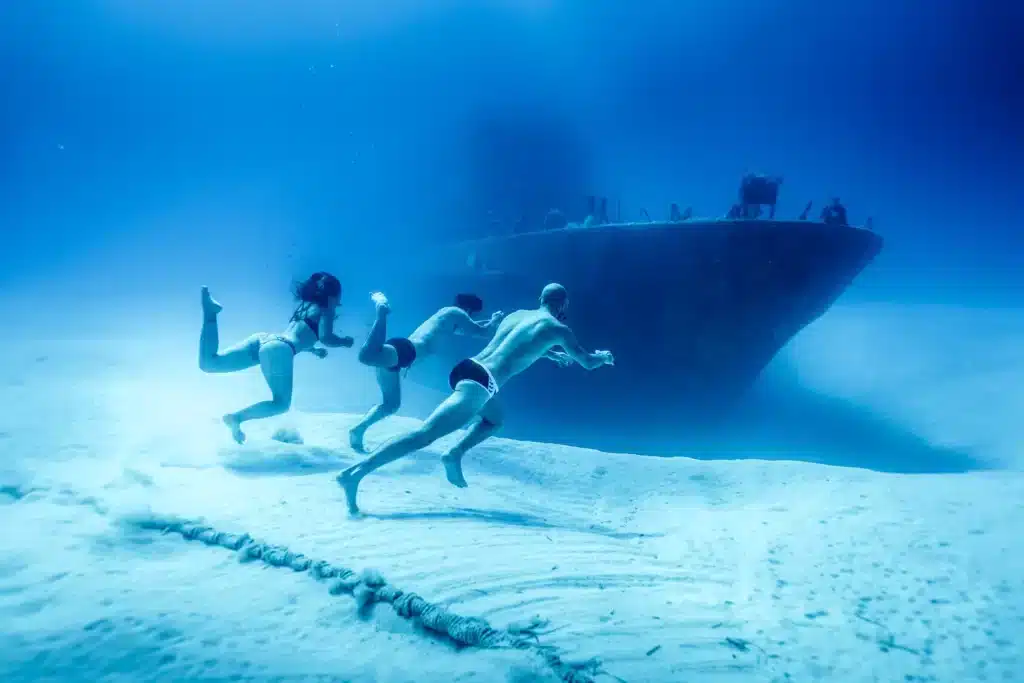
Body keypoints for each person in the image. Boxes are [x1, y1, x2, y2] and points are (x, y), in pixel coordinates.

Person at [337, 282, 613, 515]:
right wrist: (604, 356)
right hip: (482, 382)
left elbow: (516, 346)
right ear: (563, 305)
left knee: (496, 420)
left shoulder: (517, 315)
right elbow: (587, 362)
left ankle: (454, 453)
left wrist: (550, 354)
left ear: (540, 299)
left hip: (467, 368)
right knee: (425, 434)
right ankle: (355, 474)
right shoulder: (558, 329)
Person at [198, 272, 354, 444]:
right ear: (333, 295)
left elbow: (299, 335)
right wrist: (344, 342)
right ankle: (236, 418)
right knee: (281, 404)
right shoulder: (327, 309)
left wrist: (313, 350)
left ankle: (210, 314)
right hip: (279, 349)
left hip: (264, 340)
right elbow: (326, 337)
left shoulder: (305, 306)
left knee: (210, 363)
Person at [348, 292, 504, 452]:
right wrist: (496, 319)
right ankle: (381, 310)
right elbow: (481, 331)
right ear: (469, 308)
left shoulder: (449, 319)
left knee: (391, 404)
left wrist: (491, 323)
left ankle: (358, 430)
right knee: (368, 356)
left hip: (403, 357)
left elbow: (472, 328)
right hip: (406, 350)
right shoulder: (454, 312)